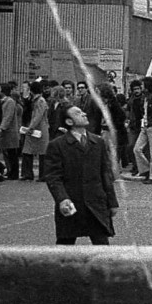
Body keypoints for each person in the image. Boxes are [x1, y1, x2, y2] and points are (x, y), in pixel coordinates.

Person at [43, 102, 119, 245]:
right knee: (65, 246)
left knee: (102, 247)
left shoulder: (98, 142)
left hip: (96, 203)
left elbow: (105, 174)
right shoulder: (57, 145)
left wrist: (112, 202)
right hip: (72, 202)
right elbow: (53, 177)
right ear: (69, 121)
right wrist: (62, 198)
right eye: (78, 113)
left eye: (83, 112)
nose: (84, 114)